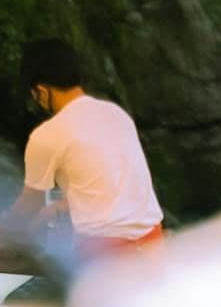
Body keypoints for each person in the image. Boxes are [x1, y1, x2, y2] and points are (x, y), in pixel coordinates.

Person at [10, 38, 165, 278]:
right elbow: (114, 188)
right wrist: (58, 208)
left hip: (106, 263)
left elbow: (29, 206)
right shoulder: (117, 115)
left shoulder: (47, 135)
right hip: (154, 251)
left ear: (41, 91)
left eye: (35, 96)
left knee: (22, 300)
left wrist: (2, 235)